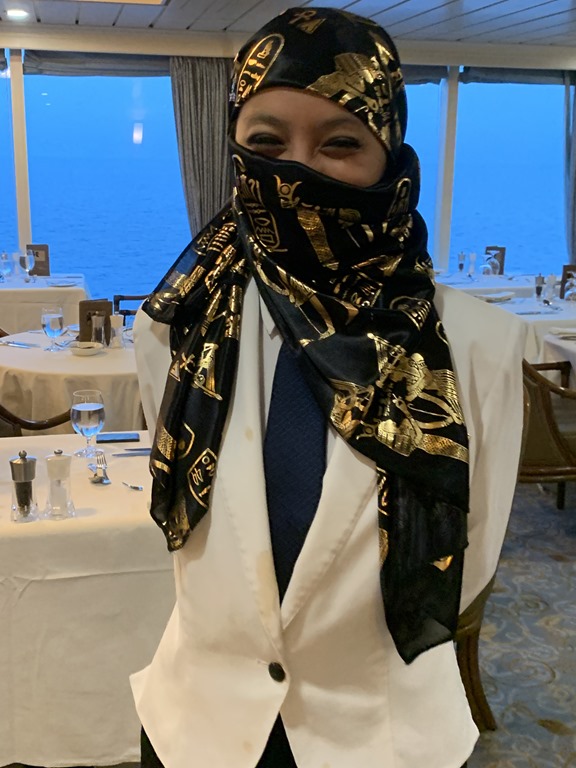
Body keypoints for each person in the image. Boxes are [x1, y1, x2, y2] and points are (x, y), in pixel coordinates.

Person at [131, 7, 526, 768]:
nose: (298, 170)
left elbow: (471, 553)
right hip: (197, 724)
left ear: (390, 157)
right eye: (266, 143)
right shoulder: (177, 325)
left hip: (383, 733)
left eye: (340, 142)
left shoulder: (481, 344)